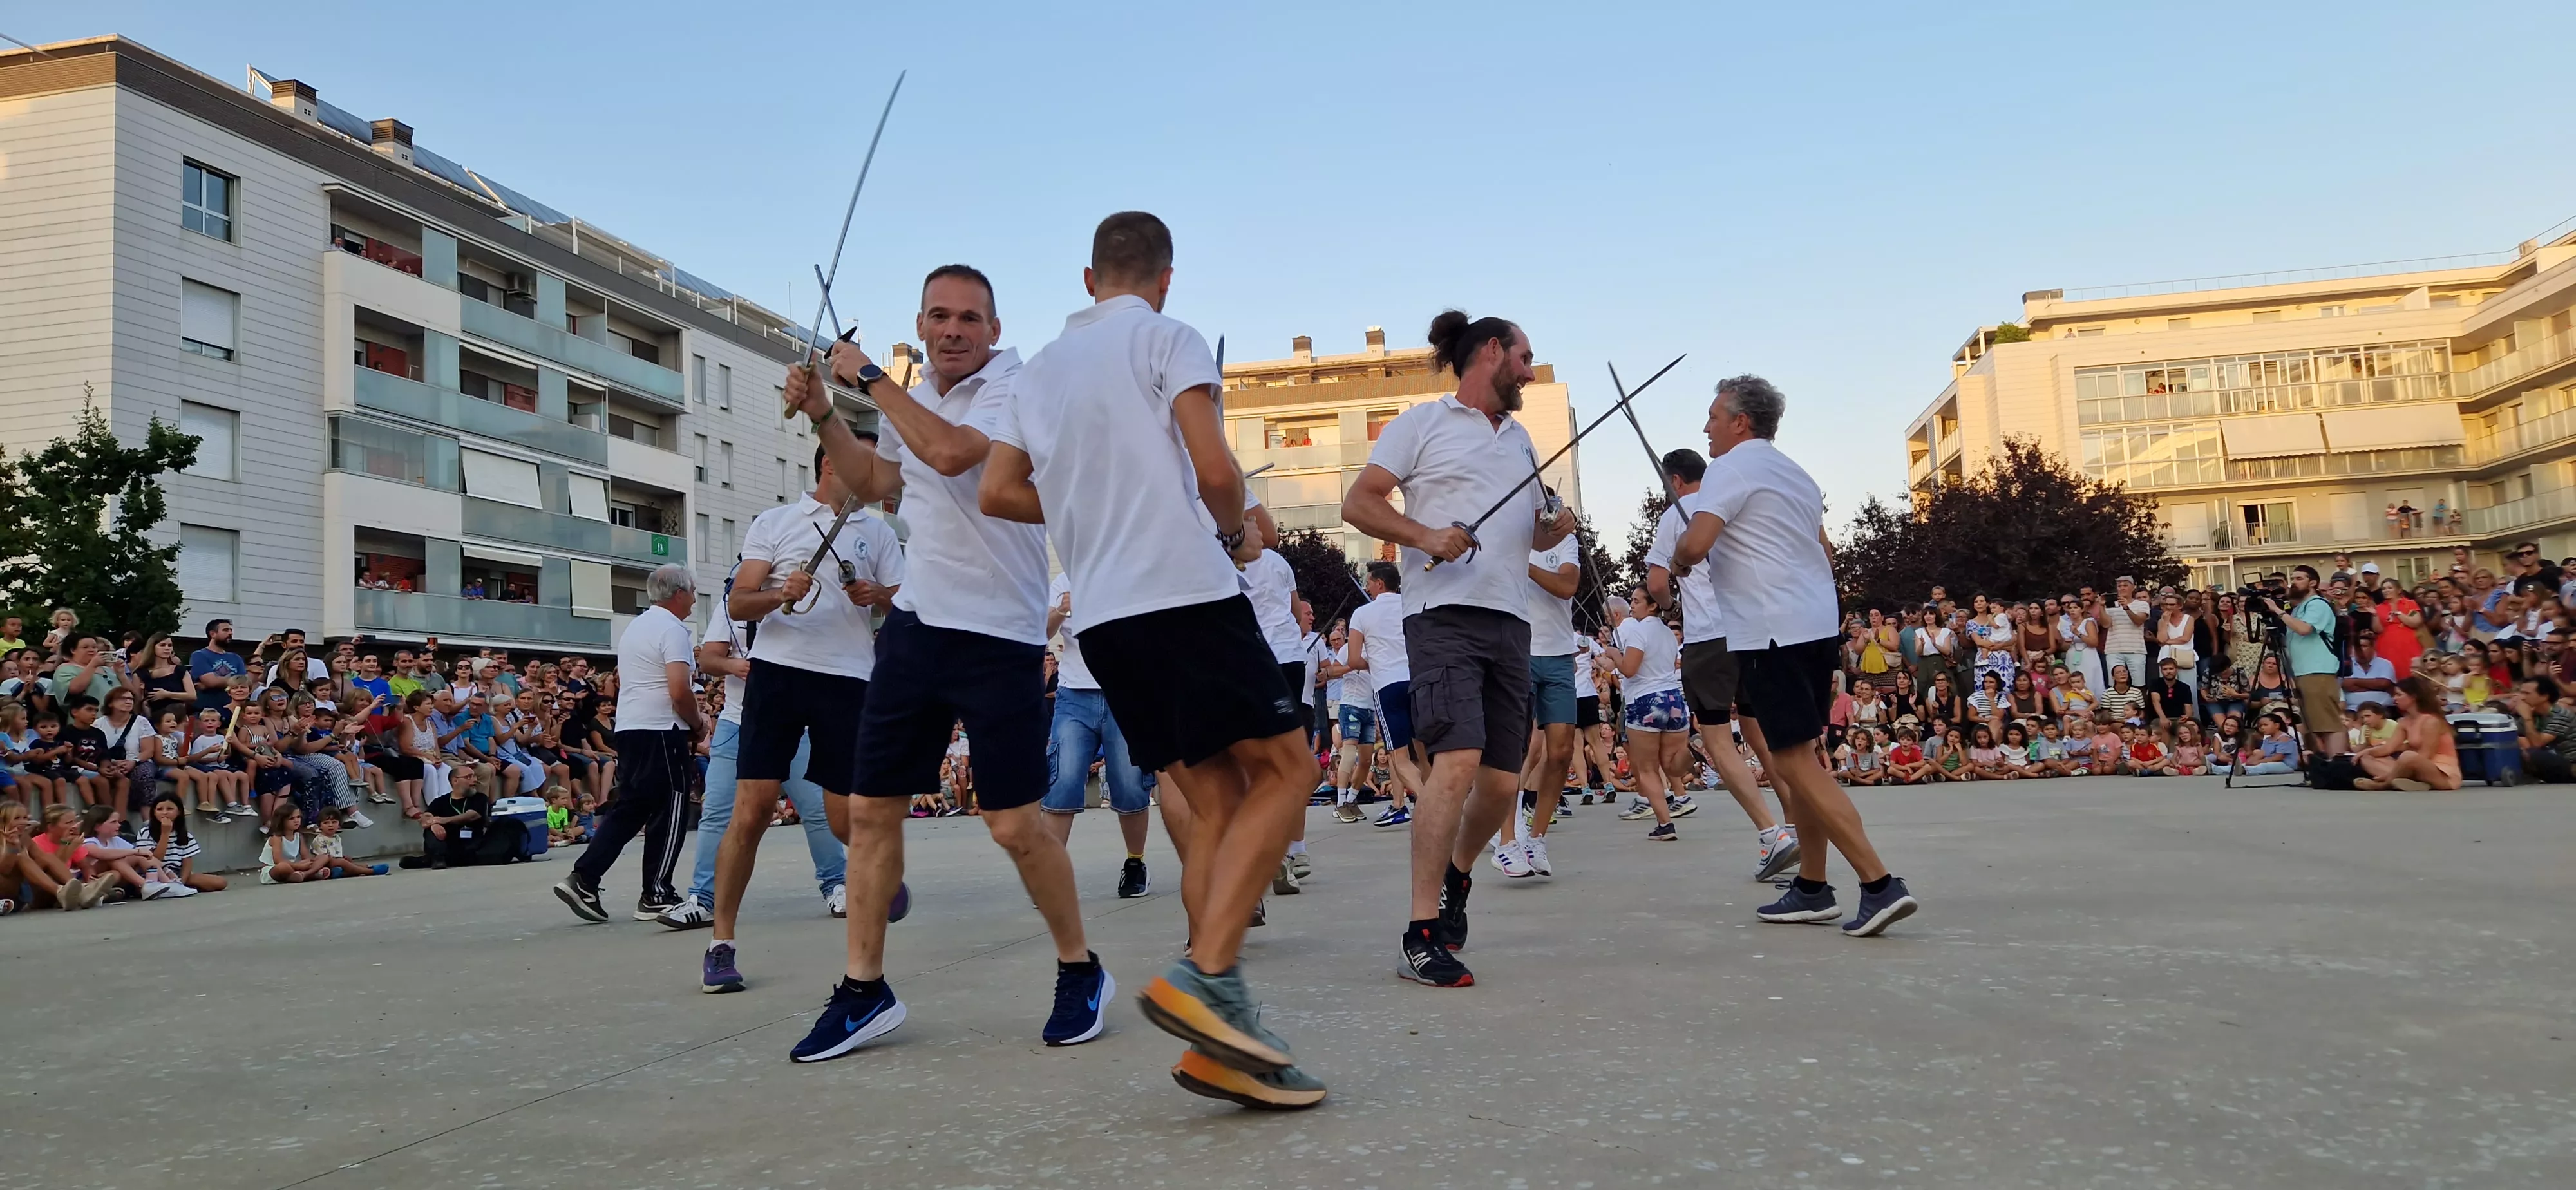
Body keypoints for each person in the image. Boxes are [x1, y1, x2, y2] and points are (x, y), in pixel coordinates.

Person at [980, 212, 1322, 1106]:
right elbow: (1216, 473)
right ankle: (1208, 977)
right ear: (1165, 281)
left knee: (1213, 806)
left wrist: (1090, 506)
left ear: (1089, 280)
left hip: (1104, 620)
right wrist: (1223, 527)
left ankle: (1223, 1042)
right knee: (1289, 773)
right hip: (1185, 591)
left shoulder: (1039, 372)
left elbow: (997, 489)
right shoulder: (1168, 338)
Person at [793, 260, 1108, 1062]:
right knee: (870, 811)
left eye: (970, 318)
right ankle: (865, 989)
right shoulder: (912, 398)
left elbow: (955, 455)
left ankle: (1081, 969)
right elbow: (875, 481)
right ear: (922, 325)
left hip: (999, 633)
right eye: (940, 317)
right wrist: (828, 412)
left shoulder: (1016, 386)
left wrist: (867, 379)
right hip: (917, 624)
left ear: (995, 330)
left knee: (1013, 824)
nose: (954, 330)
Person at [1338, 307, 1578, 990]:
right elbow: (1360, 503)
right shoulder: (1423, 421)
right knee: (1457, 762)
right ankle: (1419, 935)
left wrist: (1555, 522)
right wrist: (1424, 537)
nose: (1531, 371)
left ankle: (1457, 877)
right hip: (1441, 615)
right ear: (1492, 352)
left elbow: (1531, 534)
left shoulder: (1524, 440)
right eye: (1526, 357)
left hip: (1511, 621)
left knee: (1503, 783)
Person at [1672, 375, 1918, 936]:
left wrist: (1683, 559)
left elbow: (1696, 543)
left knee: (1793, 764)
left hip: (1769, 632)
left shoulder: (1729, 470)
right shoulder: (1796, 474)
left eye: (1713, 416)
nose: (1705, 427)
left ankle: (1880, 884)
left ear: (1740, 421)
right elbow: (1822, 548)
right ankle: (1811, 886)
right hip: (1812, 628)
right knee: (1800, 757)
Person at [675, 449, 901, 990]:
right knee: (750, 812)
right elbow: (738, 603)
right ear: (828, 466)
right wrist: (781, 594)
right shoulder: (775, 523)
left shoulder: (879, 532)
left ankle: (881, 879)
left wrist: (881, 596)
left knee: (846, 818)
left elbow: (910, 606)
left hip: (849, 679)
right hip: (778, 675)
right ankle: (721, 943)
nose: (871, 476)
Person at [656, 560, 863, 949]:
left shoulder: (802, 603)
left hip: (794, 724)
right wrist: (734, 665)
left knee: (817, 809)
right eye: (740, 584)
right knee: (718, 812)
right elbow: (709, 658)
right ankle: (703, 898)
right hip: (737, 722)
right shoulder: (728, 610)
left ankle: (837, 886)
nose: (744, 587)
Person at [1646, 447, 1797, 882]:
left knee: (1718, 741)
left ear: (1675, 482)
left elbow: (1658, 582)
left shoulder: (1675, 516)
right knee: (1758, 731)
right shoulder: (1731, 503)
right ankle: (1792, 823)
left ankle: (1772, 835)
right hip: (1753, 632)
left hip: (1709, 638)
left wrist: (1671, 603)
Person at [550, 565, 703, 920]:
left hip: (632, 726)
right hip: (662, 728)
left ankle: (584, 878)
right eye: (693, 592)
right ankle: (657, 892)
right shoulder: (673, 629)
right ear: (679, 593)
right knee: (672, 806)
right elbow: (679, 689)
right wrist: (696, 724)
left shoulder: (638, 626)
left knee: (632, 806)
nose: (695, 600)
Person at [1043, 571, 1155, 897]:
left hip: (1126, 693)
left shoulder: (1129, 571)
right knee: (1062, 781)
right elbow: (1042, 633)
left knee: (1131, 784)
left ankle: (1136, 863)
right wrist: (1062, 609)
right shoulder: (1064, 582)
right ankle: (1051, 874)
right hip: (1074, 695)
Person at [1493, 519, 1584, 878]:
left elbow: (1567, 585)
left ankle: (1536, 838)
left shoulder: (1566, 542)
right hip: (1520, 652)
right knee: (1514, 750)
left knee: (1560, 752)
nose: (1550, 517)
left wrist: (1523, 564)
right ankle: (1506, 842)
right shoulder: (1509, 535)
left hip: (1560, 656)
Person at [1346, 563, 1422, 827]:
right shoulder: (1410, 605)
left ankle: (1432, 807)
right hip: (1418, 681)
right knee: (1424, 752)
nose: (1366, 586)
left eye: (1369, 581)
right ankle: (1408, 804)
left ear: (1379, 583)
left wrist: (1373, 662)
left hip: (1388, 685)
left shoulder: (1362, 613)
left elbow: (1353, 659)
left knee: (1398, 756)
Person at [1613, 589, 1689, 838]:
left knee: (1646, 769)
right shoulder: (1669, 633)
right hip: (1673, 698)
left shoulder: (1637, 631)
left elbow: (1630, 669)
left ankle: (1665, 823)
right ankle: (1694, 753)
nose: (1631, 607)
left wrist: (1614, 655)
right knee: (1670, 764)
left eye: (1636, 601)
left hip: (1645, 699)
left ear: (1653, 605)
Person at [2353, 675, 2463, 791]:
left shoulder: (2432, 721)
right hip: (2413, 768)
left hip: (2441, 771)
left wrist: (2393, 773)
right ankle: (2413, 783)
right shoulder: (2404, 721)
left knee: (2408, 756)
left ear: (2413, 697)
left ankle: (2383, 785)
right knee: (2367, 758)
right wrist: (2366, 751)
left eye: (2399, 695)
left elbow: (2426, 755)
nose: (2395, 699)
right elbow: (2388, 748)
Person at [2512, 675, 2576, 782]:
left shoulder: (2561, 715)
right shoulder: (2533, 714)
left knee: (2533, 753)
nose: (2521, 697)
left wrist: (2527, 718)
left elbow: (2537, 743)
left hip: (2570, 764)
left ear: (2544, 696)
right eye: (2521, 692)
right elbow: (2515, 735)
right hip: (2552, 759)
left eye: (2527, 694)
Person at [2101, 576, 2152, 691]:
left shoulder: (2142, 604)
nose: (2122, 588)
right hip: (2113, 649)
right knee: (2114, 684)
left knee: (2139, 684)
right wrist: (2101, 608)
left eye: (2125, 585)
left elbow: (2139, 621)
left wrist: (2126, 608)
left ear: (2133, 588)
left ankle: (2140, 708)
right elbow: (2106, 624)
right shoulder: (2110, 605)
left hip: (2136, 649)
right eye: (2120, 586)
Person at [2340, 633, 2398, 717]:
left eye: (2364, 646)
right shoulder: (2346, 665)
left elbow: (2384, 684)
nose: (2360, 650)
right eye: (2357, 647)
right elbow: (2345, 685)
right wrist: (2376, 686)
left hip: (2383, 710)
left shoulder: (2385, 664)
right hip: (2353, 711)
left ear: (2373, 648)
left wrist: (2355, 682)